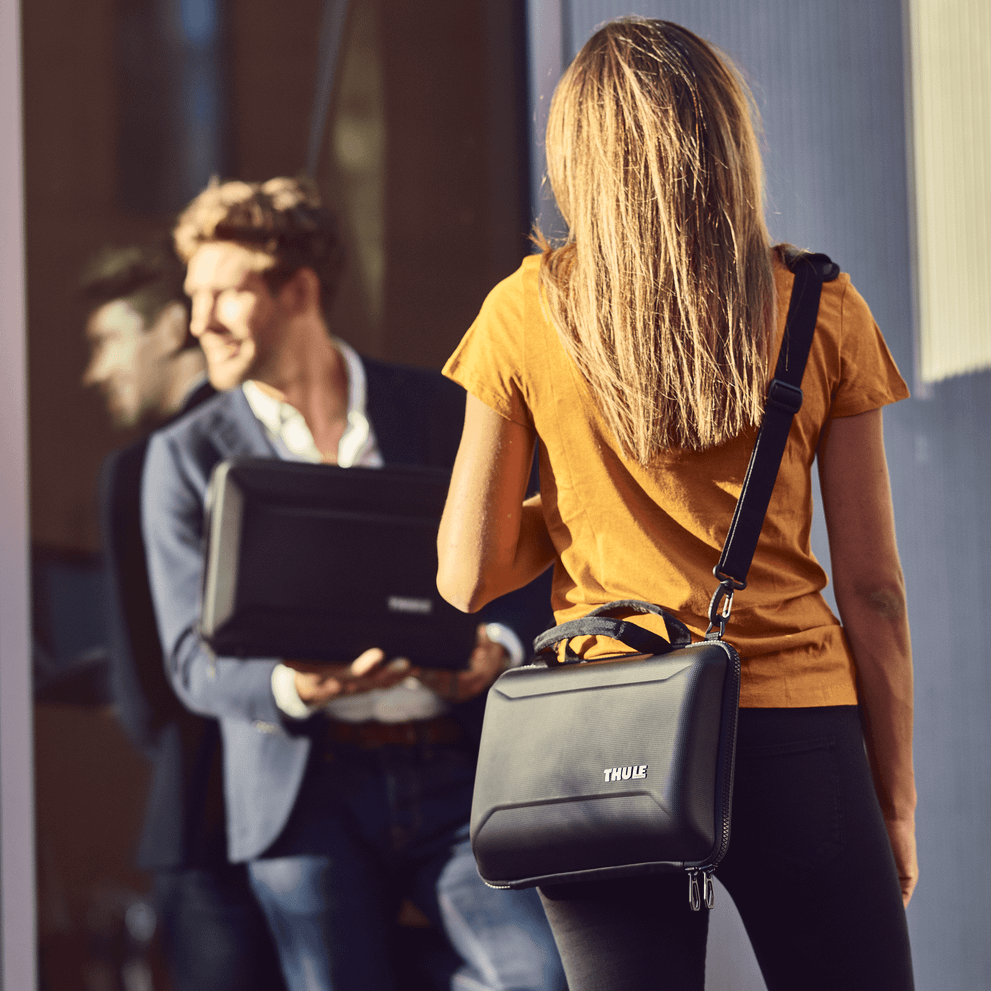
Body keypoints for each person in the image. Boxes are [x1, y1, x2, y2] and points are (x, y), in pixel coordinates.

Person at [437, 17, 916, 991]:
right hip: (794, 724)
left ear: (575, 154)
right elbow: (873, 593)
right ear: (724, 141)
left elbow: (465, 574)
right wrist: (893, 796)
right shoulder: (821, 304)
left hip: (605, 725)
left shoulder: (523, 310)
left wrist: (581, 501)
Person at [140, 176, 565, 991]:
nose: (199, 323)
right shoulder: (185, 455)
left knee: (539, 976)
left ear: (297, 290)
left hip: (454, 771)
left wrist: (496, 649)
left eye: (224, 293)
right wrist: (297, 685)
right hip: (305, 794)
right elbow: (191, 661)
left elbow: (528, 561)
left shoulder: (436, 410)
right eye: (194, 297)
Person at [81, 243, 286, 991]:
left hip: (201, 813)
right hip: (311, 808)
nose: (96, 370)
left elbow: (146, 684)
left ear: (172, 327)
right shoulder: (279, 436)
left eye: (107, 342)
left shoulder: (143, 466)